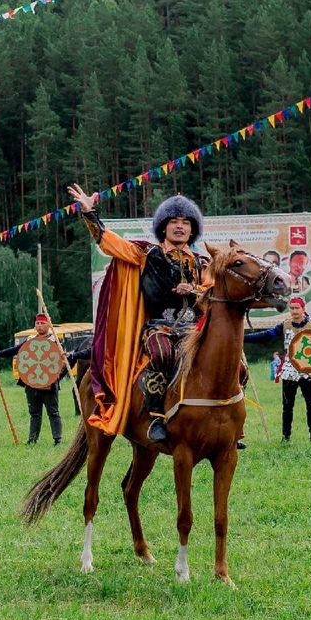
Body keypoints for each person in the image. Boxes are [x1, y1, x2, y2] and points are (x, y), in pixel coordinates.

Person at [68, 184, 212, 445]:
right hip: (159, 328)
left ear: (193, 229)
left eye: (186, 223)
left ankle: (225, 420)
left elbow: (211, 295)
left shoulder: (202, 263)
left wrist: (193, 290)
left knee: (232, 363)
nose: (180, 226)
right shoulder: (147, 254)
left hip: (194, 329)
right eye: (174, 221)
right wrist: (90, 213)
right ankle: (156, 414)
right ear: (163, 227)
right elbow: (112, 244)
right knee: (162, 354)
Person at [246, 297, 311, 442]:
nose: (294, 311)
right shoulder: (285, 325)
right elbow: (267, 335)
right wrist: (244, 338)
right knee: (287, 405)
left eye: (297, 308)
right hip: (289, 369)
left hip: (307, 370)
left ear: (303, 309)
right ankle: (286, 436)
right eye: (292, 308)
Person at [0, 313, 65, 446]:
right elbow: (16, 350)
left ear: (49, 323)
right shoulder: (30, 340)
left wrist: (64, 357)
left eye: (42, 323)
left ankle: (57, 439)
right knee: (34, 413)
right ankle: (32, 439)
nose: (40, 326)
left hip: (49, 383)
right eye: (37, 323)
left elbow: (60, 362)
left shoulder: (55, 341)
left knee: (53, 412)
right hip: (31, 382)